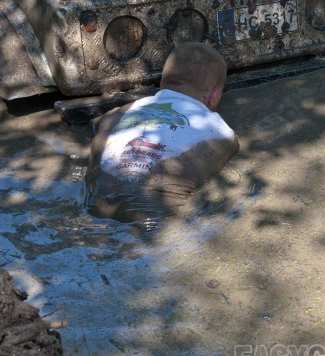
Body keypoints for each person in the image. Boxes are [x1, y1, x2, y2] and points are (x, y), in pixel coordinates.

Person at [85, 42, 238, 224]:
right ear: (213, 95)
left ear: (162, 83)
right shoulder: (221, 133)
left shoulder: (119, 113)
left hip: (96, 205)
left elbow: (96, 126)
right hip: (158, 219)